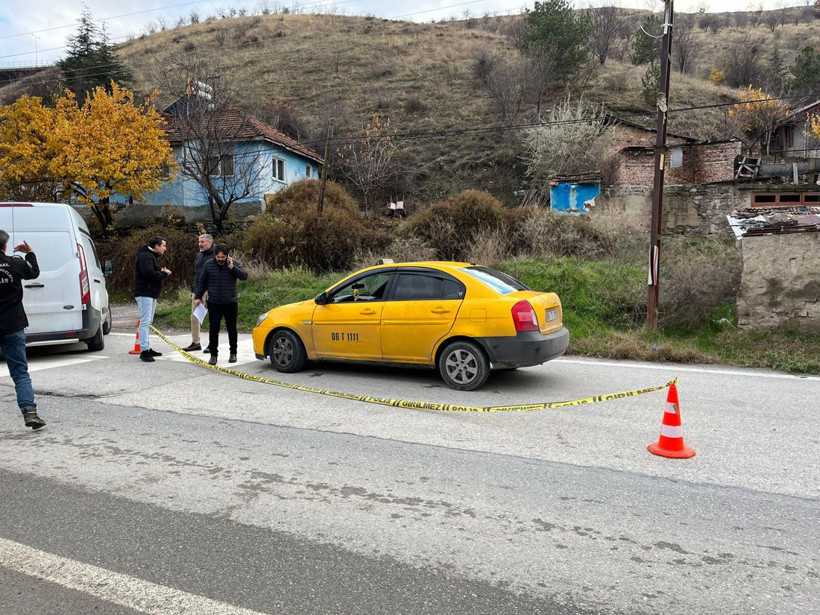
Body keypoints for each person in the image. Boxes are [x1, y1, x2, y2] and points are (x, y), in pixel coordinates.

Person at [0, 230, 46, 430]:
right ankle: (30, 412)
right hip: (13, 325)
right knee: (20, 373)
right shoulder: (15, 263)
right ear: (5, 246)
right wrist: (30, 252)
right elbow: (34, 272)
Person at [193, 244, 247, 365]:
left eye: (223, 257)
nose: (221, 259)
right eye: (218, 257)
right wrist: (198, 297)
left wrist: (233, 268)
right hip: (214, 302)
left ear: (227, 256)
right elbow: (202, 282)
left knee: (232, 329)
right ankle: (213, 355)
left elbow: (244, 276)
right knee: (214, 329)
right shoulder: (208, 264)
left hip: (230, 302)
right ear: (215, 256)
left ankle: (233, 353)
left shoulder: (234, 263)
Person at [134, 236, 172, 363]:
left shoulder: (151, 256)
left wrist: (160, 270)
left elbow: (151, 271)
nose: (165, 249)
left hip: (151, 293)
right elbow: (148, 274)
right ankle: (144, 351)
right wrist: (164, 274)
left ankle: (147, 347)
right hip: (145, 292)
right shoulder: (145, 256)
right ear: (156, 246)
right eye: (163, 246)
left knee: (148, 321)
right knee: (145, 322)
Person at [182, 233, 214, 352]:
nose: (200, 244)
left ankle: (212, 344)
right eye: (199, 241)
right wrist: (193, 290)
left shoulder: (217, 254)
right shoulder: (199, 255)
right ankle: (196, 343)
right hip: (198, 290)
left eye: (203, 242)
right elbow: (197, 274)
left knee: (213, 318)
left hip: (212, 290)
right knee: (195, 317)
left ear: (210, 242)